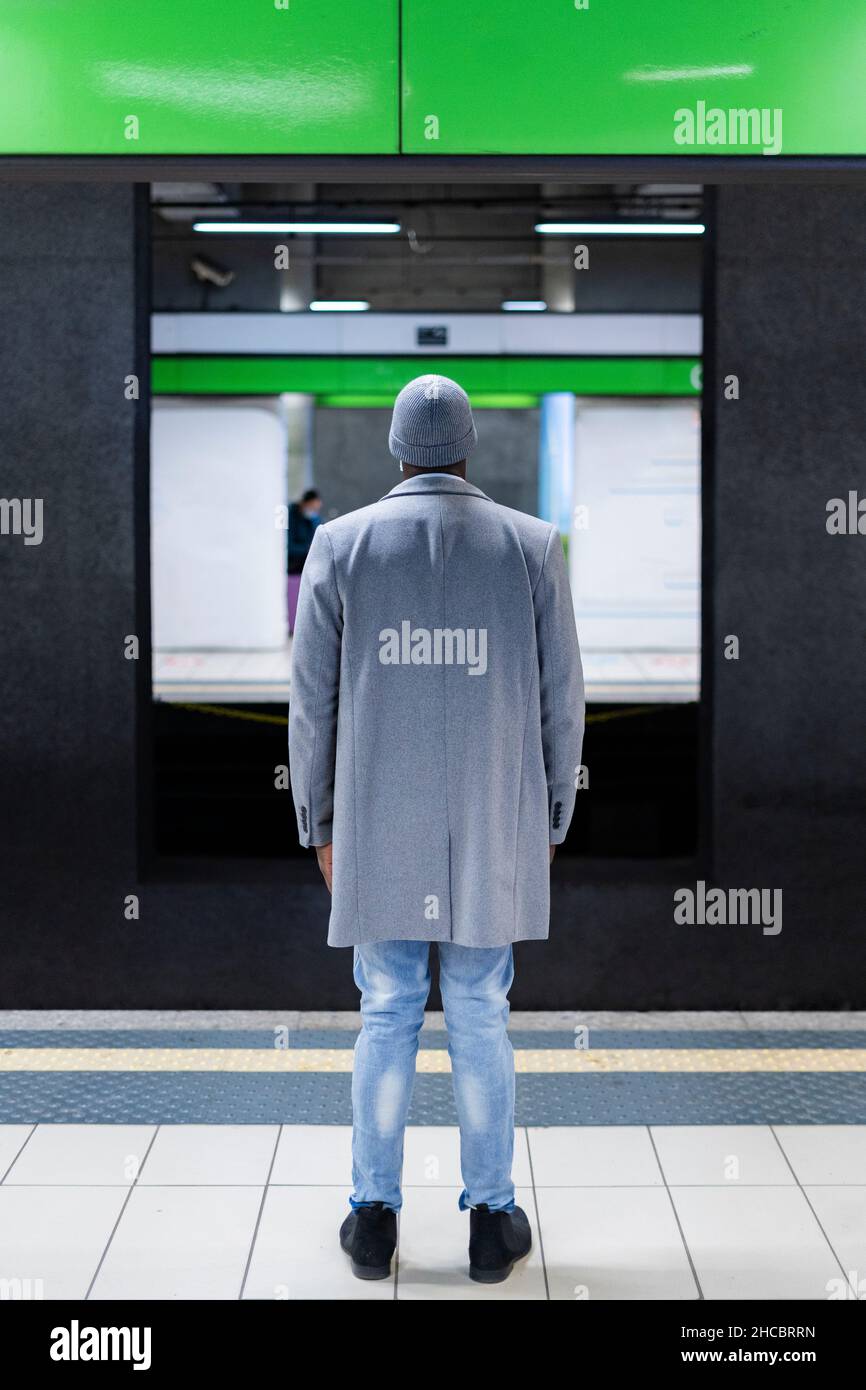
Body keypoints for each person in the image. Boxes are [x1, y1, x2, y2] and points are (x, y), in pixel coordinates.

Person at [288, 375, 584, 1284]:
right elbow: (561, 700)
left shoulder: (339, 547)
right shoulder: (531, 548)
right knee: (482, 1014)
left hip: (376, 822)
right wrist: (553, 817)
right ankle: (492, 1223)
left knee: (384, 1012)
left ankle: (372, 1219)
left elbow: (312, 704)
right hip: (493, 817)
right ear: (468, 449)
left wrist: (318, 824)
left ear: (395, 448)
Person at [287, 488, 322, 632]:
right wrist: (308, 550)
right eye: (312, 508)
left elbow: (319, 539)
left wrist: (313, 520)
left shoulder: (313, 518)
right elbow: (288, 546)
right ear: (304, 503)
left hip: (309, 559)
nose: (314, 511)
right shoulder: (290, 516)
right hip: (294, 562)